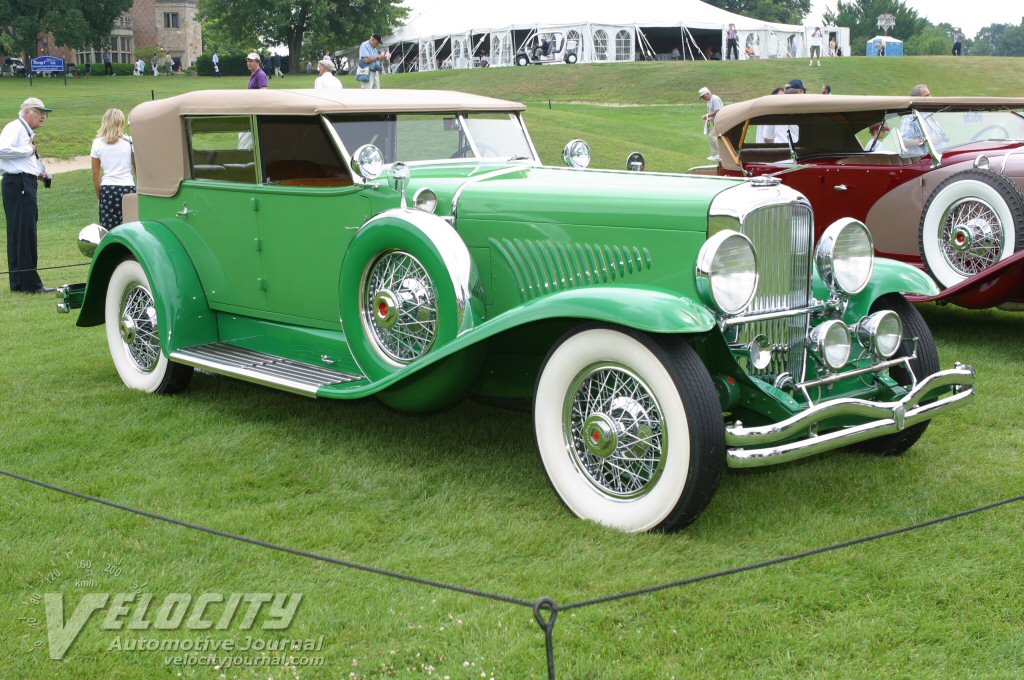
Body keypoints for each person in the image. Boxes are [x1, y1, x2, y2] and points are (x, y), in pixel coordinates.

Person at [0, 98, 53, 293]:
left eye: (44, 113)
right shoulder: (16, 128)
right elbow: (2, 150)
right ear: (28, 112)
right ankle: (31, 285)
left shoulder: (23, 130)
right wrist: (27, 150)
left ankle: (19, 283)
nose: (43, 117)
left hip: (21, 183)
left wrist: (38, 173)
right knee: (25, 233)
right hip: (19, 185)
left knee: (19, 233)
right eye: (40, 112)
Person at [90, 108, 135, 231]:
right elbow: (137, 169)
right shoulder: (130, 142)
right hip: (128, 188)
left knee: (108, 231)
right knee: (131, 229)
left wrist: (100, 197)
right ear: (121, 122)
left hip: (108, 190)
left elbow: (95, 174)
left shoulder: (97, 143)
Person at [901, 84, 947, 151]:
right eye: (927, 96)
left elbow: (941, 134)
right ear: (917, 99)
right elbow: (904, 143)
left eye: (930, 95)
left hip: (942, 154)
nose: (931, 98)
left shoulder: (929, 114)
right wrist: (926, 141)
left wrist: (943, 137)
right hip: (925, 159)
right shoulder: (909, 117)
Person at [698, 86, 724, 161]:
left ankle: (719, 155)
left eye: (703, 97)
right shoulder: (709, 102)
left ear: (708, 94)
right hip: (717, 122)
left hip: (721, 121)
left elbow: (718, 111)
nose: (703, 99)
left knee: (712, 136)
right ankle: (716, 155)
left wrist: (707, 115)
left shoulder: (715, 99)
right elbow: (712, 113)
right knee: (715, 137)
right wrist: (708, 118)